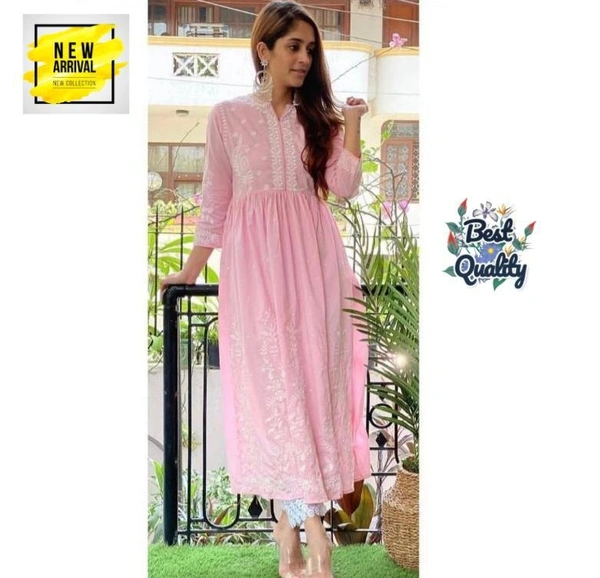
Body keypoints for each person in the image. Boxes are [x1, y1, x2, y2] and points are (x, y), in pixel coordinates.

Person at [161, 2, 370, 576]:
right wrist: (192, 269)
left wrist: (352, 124)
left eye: (310, 49)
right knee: (275, 397)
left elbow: (345, 186)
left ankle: (299, 533)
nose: (303, 58)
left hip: (315, 269)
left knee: (311, 394)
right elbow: (215, 200)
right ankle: (302, 530)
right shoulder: (227, 117)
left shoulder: (318, 120)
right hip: (255, 273)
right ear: (264, 50)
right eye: (293, 47)